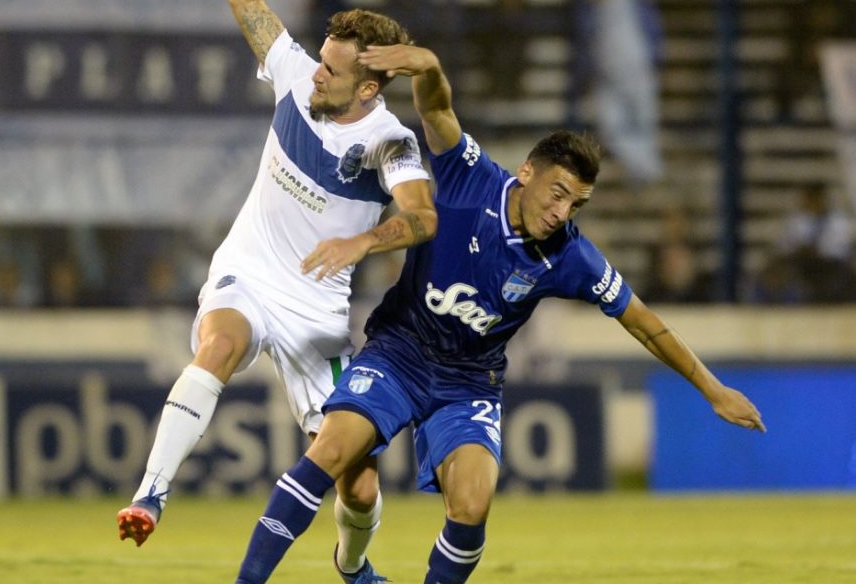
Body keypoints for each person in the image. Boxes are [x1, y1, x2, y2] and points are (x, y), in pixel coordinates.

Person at [231, 43, 766, 583]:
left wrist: (713, 389)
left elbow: (646, 324)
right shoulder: (471, 177)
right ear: (528, 172)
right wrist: (431, 67)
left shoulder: (571, 256)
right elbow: (437, 113)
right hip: (400, 352)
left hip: (469, 382)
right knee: (330, 455)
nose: (561, 213)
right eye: (557, 193)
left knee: (472, 503)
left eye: (575, 204)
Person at [116, 0, 438, 583]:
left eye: (333, 73)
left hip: (317, 311)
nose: (317, 76)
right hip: (249, 271)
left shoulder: (390, 142)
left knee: (361, 487)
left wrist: (360, 244)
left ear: (369, 87)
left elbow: (423, 218)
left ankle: (354, 565)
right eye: (320, 63)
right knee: (220, 344)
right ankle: (151, 493)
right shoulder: (294, 72)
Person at [575, 0, 664, 183]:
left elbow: (653, 32)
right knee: (612, 131)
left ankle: (645, 177)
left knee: (643, 127)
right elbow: (588, 47)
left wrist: (656, 63)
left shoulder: (633, 0)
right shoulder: (591, 10)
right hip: (607, 79)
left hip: (637, 73)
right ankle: (646, 173)